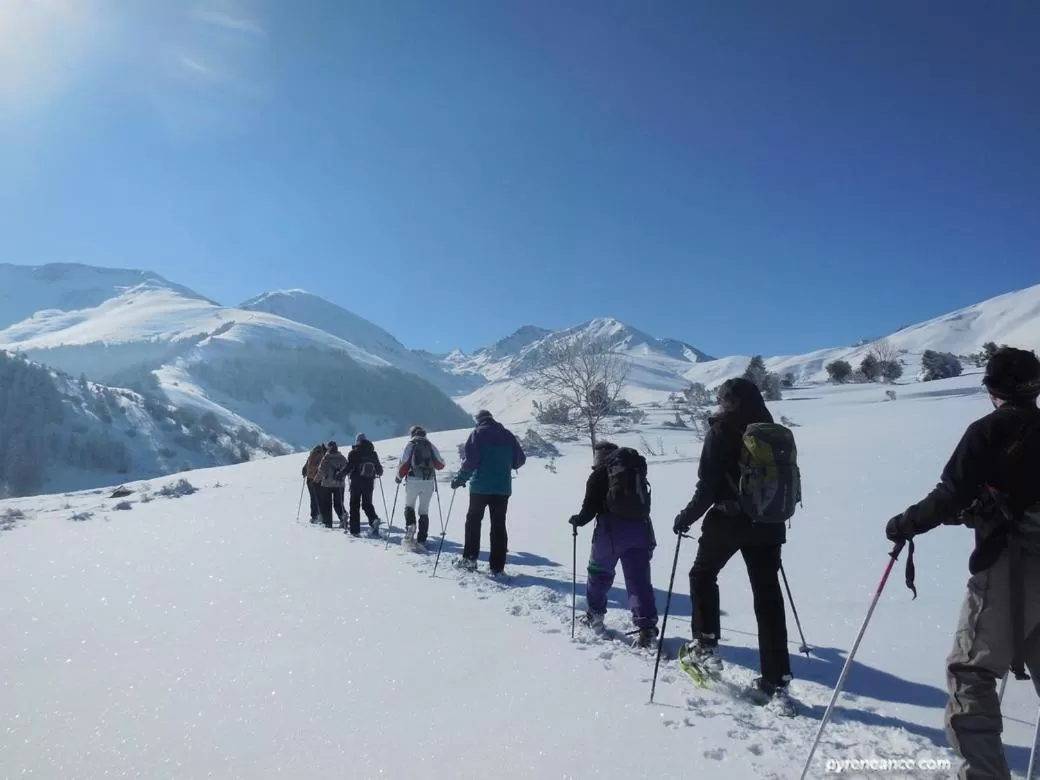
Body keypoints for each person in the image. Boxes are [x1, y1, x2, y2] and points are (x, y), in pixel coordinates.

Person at [885, 347, 1040, 780]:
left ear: (993, 388)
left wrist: (905, 523)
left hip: (1010, 568)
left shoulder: (989, 430)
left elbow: (950, 494)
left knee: (971, 671)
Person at [673, 377, 794, 714]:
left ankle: (706, 647)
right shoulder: (770, 429)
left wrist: (686, 516)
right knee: (768, 597)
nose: (718, 404)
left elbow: (707, 485)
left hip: (729, 520)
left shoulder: (722, 430)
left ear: (730, 401)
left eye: (721, 399)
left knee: (702, 575)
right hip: (769, 525)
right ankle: (777, 679)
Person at [569, 440, 659, 647]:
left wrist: (577, 520)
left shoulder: (599, 475)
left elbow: (588, 511)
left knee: (599, 574)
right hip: (640, 531)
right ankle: (646, 629)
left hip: (610, 533)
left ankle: (595, 614)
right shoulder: (635, 472)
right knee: (639, 581)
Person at [451, 409, 526, 575]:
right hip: (502, 488)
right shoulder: (507, 435)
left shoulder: (477, 434)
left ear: (478, 420)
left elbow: (470, 462)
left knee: (473, 521)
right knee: (498, 525)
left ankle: (470, 559)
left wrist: (459, 480)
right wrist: (506, 465)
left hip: (480, 487)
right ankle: (497, 567)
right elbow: (520, 460)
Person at [396, 425, 446, 549]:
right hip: (428, 482)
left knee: (409, 506)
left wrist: (398, 477)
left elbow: (404, 464)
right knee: (424, 510)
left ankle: (410, 527)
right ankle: (422, 539)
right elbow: (440, 465)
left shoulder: (410, 445)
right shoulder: (430, 445)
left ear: (412, 434)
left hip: (413, 480)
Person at [346, 433, 384, 538]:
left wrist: (341, 474)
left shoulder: (354, 452)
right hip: (369, 483)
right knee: (367, 504)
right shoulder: (373, 453)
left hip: (356, 482)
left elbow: (349, 467)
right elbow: (379, 470)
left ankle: (354, 531)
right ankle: (373, 519)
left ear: (357, 441)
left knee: (354, 505)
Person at [314, 440, 349, 530]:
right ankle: (343, 516)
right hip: (340, 485)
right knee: (338, 503)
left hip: (327, 485)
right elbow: (347, 469)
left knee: (327, 504)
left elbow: (321, 471)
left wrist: (316, 480)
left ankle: (327, 523)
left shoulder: (326, 458)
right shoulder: (342, 458)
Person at [301, 442, 327, 523]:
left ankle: (313, 515)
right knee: (320, 498)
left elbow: (304, 468)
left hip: (309, 479)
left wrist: (305, 473)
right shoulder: (322, 456)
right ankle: (321, 515)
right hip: (317, 480)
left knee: (313, 498)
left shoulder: (311, 455)